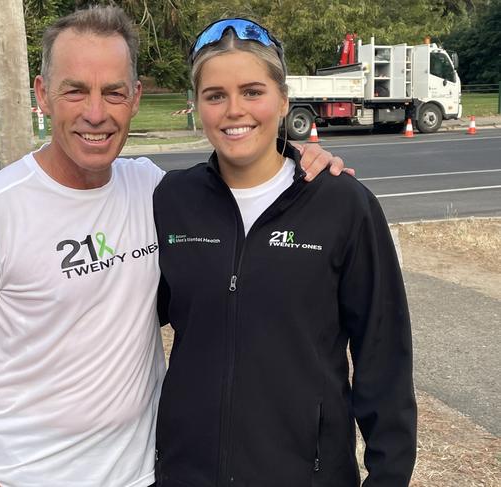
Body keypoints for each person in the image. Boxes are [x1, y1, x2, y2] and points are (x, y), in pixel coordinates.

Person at [0, 7, 347, 487]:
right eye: (75, 90)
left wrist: (299, 158)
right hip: (26, 474)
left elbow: (244, 182)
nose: (96, 113)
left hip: (143, 472)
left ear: (136, 98)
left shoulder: (155, 191)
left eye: (114, 92)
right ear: (42, 95)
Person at [153, 18, 417, 487]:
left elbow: (384, 358)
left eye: (253, 91)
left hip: (308, 474)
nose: (235, 110)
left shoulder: (343, 205)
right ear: (196, 106)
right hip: (187, 472)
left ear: (284, 100)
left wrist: (388, 475)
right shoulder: (171, 201)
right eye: (215, 95)